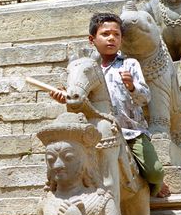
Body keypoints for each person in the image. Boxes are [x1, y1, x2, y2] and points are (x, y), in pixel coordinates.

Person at [49, 13, 170, 198]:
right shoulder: (86, 69)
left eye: (116, 35)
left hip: (131, 130)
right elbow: (80, 101)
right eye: (105, 34)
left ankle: (152, 187)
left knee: (154, 171)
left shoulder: (129, 64)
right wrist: (64, 97)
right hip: (97, 129)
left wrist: (132, 87)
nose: (111, 38)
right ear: (92, 40)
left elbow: (145, 98)